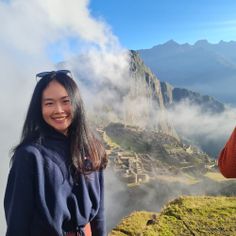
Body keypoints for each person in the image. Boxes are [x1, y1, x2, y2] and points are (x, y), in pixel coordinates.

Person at [4, 70, 108, 236]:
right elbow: (18, 221)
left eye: (65, 101)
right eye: (49, 103)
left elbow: (99, 214)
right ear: (39, 108)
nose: (58, 110)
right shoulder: (30, 156)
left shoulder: (91, 147)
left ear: (76, 103)